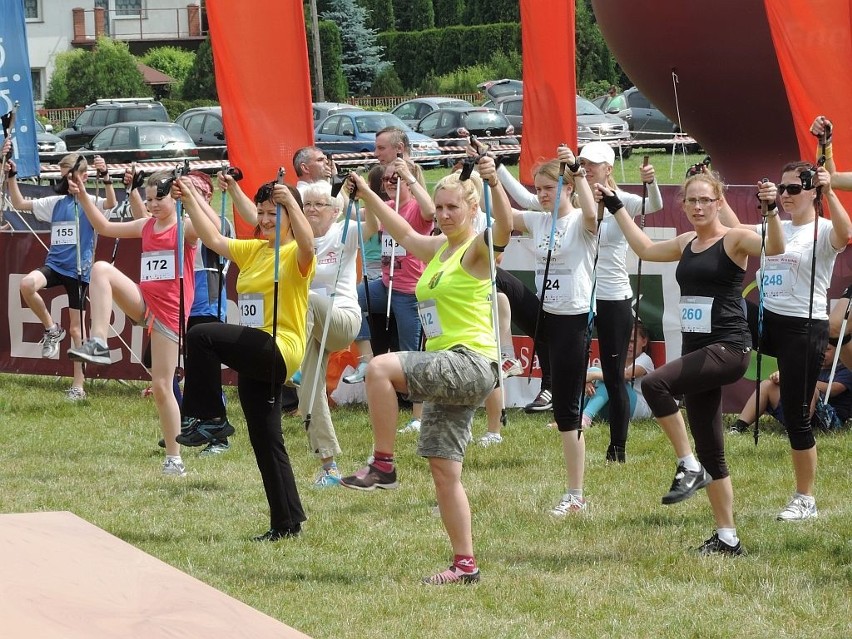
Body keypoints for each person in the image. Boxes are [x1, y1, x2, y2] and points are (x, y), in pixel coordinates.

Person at [339, 155, 510, 586]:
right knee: (443, 471)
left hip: (469, 363)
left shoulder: (476, 251)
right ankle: (465, 565)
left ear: (473, 210)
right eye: (441, 208)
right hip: (447, 364)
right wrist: (368, 191)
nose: (445, 215)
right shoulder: (439, 248)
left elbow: (504, 230)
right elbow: (403, 231)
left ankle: (383, 465)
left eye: (455, 208)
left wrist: (496, 185)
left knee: (378, 368)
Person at [600, 170, 783, 555]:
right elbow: (646, 249)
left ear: (719, 202)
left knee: (654, 384)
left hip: (730, 348)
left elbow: (775, 249)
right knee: (712, 447)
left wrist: (770, 212)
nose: (698, 207)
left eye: (705, 200)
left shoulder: (734, 239)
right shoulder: (685, 243)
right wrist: (617, 207)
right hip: (699, 350)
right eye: (691, 201)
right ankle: (727, 537)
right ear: (683, 206)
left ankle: (687, 465)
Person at [497, 141, 663, 461]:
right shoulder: (568, 195)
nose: (586, 166)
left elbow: (653, 204)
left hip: (611, 295)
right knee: (561, 354)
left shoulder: (618, 199)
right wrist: (497, 170)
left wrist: (651, 180)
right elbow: (525, 199)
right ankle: (563, 411)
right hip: (578, 298)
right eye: (582, 161)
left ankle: (617, 447)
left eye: (592, 163)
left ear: (608, 169)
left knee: (614, 375)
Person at [175, 177, 315, 540]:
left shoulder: (295, 253)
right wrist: (189, 197)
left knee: (200, 335)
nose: (266, 220)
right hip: (255, 349)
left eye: (275, 214)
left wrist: (295, 207)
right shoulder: (254, 250)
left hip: (279, 348)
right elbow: (214, 240)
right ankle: (286, 522)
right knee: (265, 437)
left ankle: (208, 419)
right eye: (263, 213)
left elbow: (309, 245)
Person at [720, 158, 851, 522]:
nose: (786, 195)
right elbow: (733, 227)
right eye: (782, 189)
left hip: (803, 327)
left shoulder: (823, 229)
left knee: (796, 415)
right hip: (768, 321)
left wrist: (832, 191)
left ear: (814, 192)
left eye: (794, 189)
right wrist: (715, 196)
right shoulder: (773, 225)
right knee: (723, 301)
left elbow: (845, 231)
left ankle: (805, 498)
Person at [68, 170, 201, 477]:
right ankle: (99, 342)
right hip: (144, 302)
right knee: (101, 269)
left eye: (159, 199)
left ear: (174, 195)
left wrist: (191, 200)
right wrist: (83, 194)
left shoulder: (185, 228)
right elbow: (103, 226)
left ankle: (174, 458)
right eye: (149, 199)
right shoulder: (146, 225)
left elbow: (214, 229)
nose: (153, 205)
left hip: (169, 314)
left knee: (161, 386)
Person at [503, 147, 600, 516]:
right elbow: (503, 213)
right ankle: (508, 355)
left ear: (569, 188)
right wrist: (493, 176)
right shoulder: (539, 220)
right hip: (544, 314)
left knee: (566, 409)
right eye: (539, 189)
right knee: (499, 280)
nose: (543, 194)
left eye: (549, 188)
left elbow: (592, 214)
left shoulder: (580, 220)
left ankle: (575, 494)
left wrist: (577, 171)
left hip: (572, 319)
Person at [4, 149, 116, 400]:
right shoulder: (55, 203)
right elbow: (21, 203)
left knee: (77, 330)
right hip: (54, 266)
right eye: (62, 178)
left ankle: (78, 385)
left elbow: (110, 204)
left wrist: (107, 177)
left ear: (83, 177)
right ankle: (51, 329)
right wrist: (12, 176)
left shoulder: (91, 202)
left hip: (79, 271)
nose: (65, 183)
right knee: (27, 284)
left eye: (70, 178)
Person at [343, 157, 435, 434]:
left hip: (409, 292)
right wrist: (358, 196)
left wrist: (409, 178)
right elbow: (365, 218)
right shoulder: (388, 207)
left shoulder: (416, 208)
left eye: (397, 179)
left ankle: (418, 416)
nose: (390, 183)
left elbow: (431, 213)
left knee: (411, 353)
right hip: (385, 285)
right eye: (386, 180)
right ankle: (366, 359)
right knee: (351, 298)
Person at [730, 342, 852, 434]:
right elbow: (793, 376)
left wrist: (797, 379)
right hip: (800, 411)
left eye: (827, 350)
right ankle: (739, 426)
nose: (822, 353)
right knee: (767, 385)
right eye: (818, 349)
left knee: (810, 389)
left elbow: (834, 389)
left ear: (839, 351)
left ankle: (798, 433)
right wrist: (782, 377)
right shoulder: (810, 365)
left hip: (831, 419)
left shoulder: (845, 368)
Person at [582, 321, 655, 429]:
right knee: (597, 372)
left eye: (632, 341)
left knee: (612, 378)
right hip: (618, 408)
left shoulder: (645, 359)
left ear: (644, 342)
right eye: (625, 341)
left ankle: (584, 418)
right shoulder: (617, 357)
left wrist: (592, 376)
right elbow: (600, 374)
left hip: (638, 410)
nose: (628, 346)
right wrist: (588, 382)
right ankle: (577, 417)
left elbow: (625, 375)